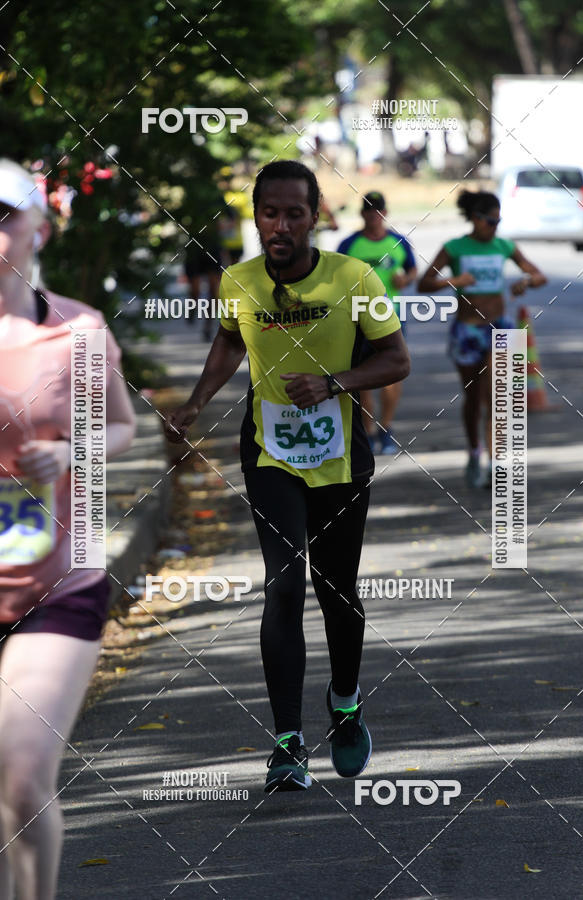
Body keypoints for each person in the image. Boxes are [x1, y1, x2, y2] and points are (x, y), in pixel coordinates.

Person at [164, 160, 409, 792]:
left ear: (314, 216)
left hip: (341, 456)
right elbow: (228, 341)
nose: (280, 225)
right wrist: (196, 401)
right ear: (256, 216)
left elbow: (395, 358)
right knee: (283, 586)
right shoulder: (238, 282)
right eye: (269, 212)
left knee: (337, 589)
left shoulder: (354, 278)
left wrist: (334, 382)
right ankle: (288, 742)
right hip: (270, 455)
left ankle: (347, 704)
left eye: (294, 213)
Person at [0, 158, 136, 899]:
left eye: (2, 216)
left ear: (38, 229)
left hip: (60, 578)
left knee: (21, 777)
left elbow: (119, 428)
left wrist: (71, 449)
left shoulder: (78, 330)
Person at [417, 189, 546, 487]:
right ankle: (475, 452)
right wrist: (455, 281)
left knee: (495, 395)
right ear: (475, 219)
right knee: (473, 398)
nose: (495, 227)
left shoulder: (503, 246)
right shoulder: (454, 248)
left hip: (498, 328)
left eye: (498, 222)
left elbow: (538, 275)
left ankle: (496, 460)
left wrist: (525, 282)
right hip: (466, 330)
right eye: (490, 221)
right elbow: (424, 283)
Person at [337, 191, 417, 454]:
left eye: (378, 211)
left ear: (385, 213)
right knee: (363, 377)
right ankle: (368, 431)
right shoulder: (349, 245)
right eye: (369, 211)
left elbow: (413, 270)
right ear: (362, 214)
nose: (373, 216)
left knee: (392, 375)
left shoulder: (399, 242)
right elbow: (334, 277)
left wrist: (405, 280)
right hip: (357, 319)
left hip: (391, 316)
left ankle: (386, 427)